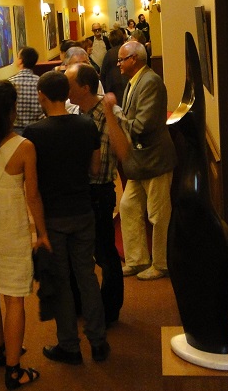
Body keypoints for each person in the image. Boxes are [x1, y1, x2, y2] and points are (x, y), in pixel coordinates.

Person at [23, 71, 110, 365]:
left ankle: (70, 346)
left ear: (42, 95)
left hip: (54, 217)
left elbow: (32, 188)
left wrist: (40, 231)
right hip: (83, 210)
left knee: (61, 281)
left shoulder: (34, 133)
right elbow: (95, 169)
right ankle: (98, 342)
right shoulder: (86, 124)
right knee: (87, 276)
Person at [0, 80, 50, 390]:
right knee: (14, 299)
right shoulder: (24, 147)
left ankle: (3, 351)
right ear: (13, 108)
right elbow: (33, 196)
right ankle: (14, 372)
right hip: (12, 231)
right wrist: (42, 233)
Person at [102, 41, 176, 281]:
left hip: (154, 159)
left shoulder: (150, 81)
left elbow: (142, 125)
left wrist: (116, 117)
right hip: (139, 162)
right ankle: (137, 260)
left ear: (134, 59)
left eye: (122, 59)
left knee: (158, 215)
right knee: (128, 207)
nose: (118, 64)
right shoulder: (136, 81)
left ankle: (162, 264)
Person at [64, 63, 124, 326]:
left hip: (99, 193)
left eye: (69, 84)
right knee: (75, 253)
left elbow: (123, 152)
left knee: (105, 254)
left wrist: (110, 114)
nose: (65, 88)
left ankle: (110, 310)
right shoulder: (73, 111)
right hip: (78, 193)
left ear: (85, 88)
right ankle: (81, 305)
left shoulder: (111, 111)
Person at [8, 46, 42, 135]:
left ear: (20, 61)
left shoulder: (10, 82)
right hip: (36, 130)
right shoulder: (40, 82)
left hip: (15, 131)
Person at [100, 29, 129, 98]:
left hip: (113, 88)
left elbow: (103, 74)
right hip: (127, 84)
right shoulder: (127, 51)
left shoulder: (109, 54)